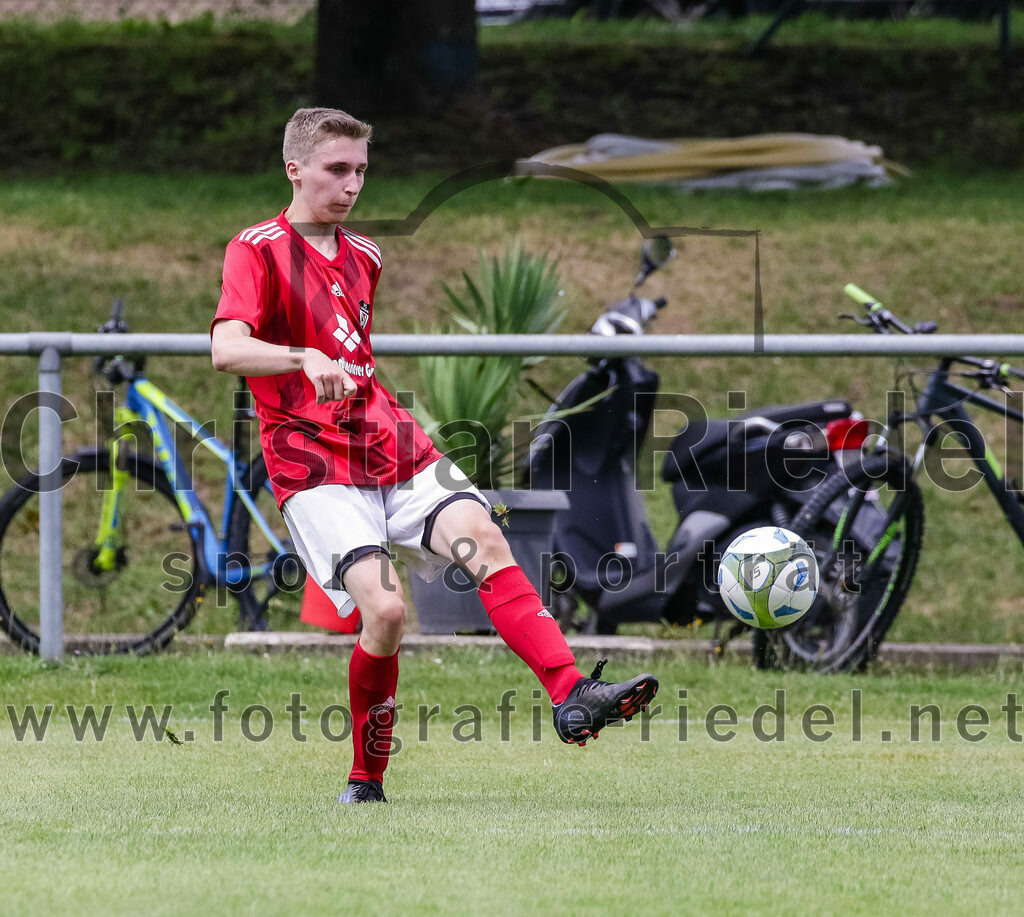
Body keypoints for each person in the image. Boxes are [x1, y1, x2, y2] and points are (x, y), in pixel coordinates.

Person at [210, 107, 658, 803]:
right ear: (294, 170)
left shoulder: (367, 256)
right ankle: (366, 779)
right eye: (336, 169)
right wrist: (302, 356)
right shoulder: (257, 248)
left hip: (391, 442)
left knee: (484, 538)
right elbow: (225, 347)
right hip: (311, 462)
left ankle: (573, 693)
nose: (351, 184)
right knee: (386, 612)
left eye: (360, 170)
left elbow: (353, 352)